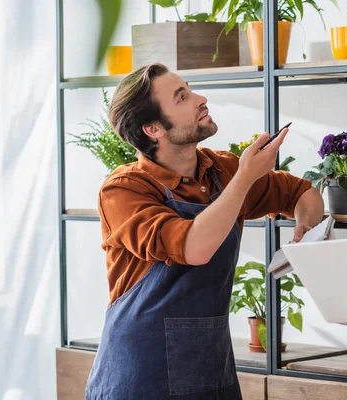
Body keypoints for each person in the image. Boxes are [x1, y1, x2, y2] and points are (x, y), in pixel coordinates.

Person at [85, 63, 324, 400]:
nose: (200, 99)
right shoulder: (123, 191)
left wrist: (307, 227)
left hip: (211, 371)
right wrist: (245, 178)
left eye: (190, 89)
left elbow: (300, 193)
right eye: (182, 98)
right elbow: (194, 247)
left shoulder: (220, 171)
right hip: (139, 376)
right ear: (153, 128)